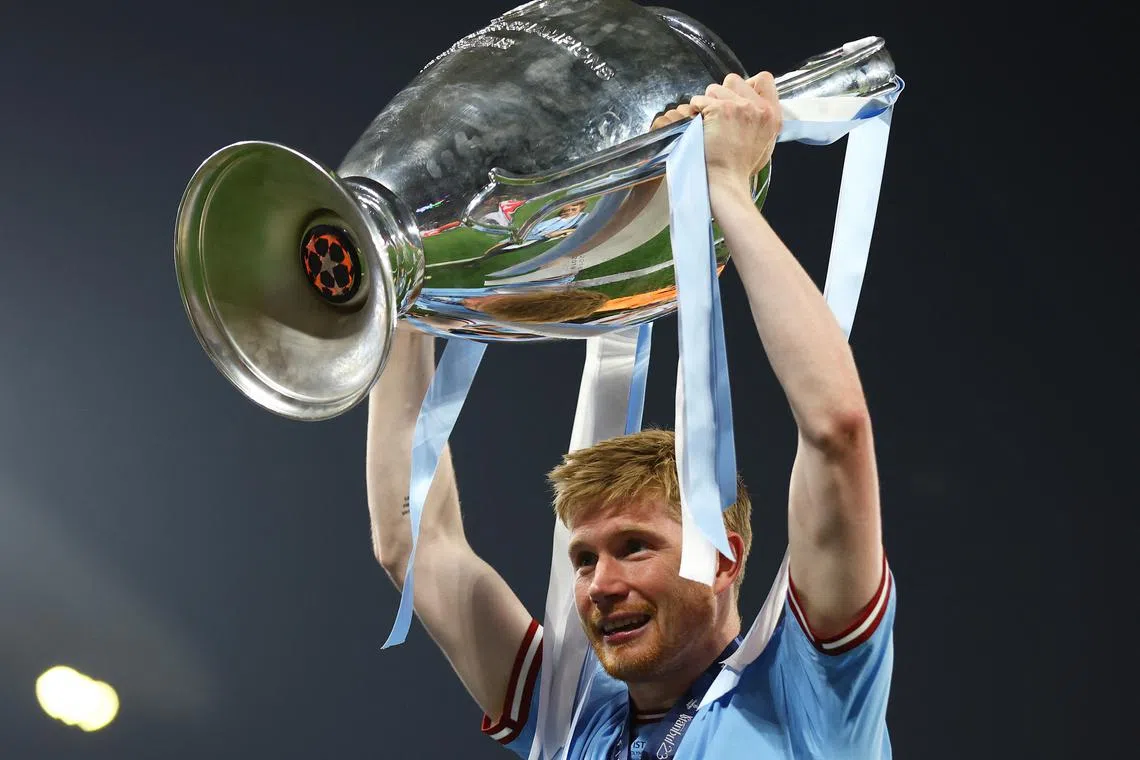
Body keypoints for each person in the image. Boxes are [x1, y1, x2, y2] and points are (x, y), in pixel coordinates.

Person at [365, 71, 894, 758]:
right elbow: (413, 543)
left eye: (634, 547)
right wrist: (401, 275)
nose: (600, 587)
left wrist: (724, 184)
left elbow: (836, 431)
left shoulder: (808, 696)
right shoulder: (573, 716)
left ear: (724, 558)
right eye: (584, 559)